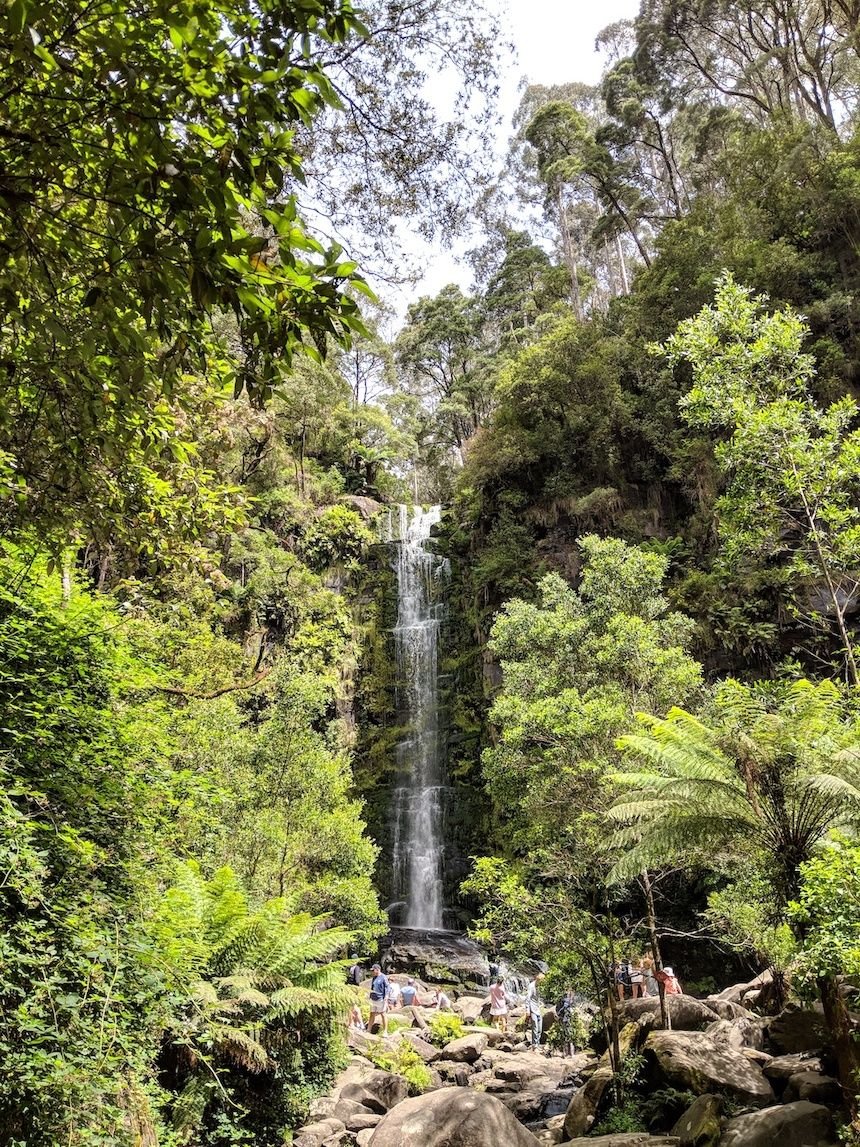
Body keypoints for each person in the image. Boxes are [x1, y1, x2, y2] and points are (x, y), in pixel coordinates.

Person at [525, 971, 545, 1050]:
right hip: (532, 1009)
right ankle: (534, 1045)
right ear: (538, 979)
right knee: (535, 1028)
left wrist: (541, 1005)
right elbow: (528, 999)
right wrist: (527, 1010)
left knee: (540, 1028)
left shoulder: (540, 987)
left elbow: (539, 998)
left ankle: (538, 1043)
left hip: (538, 1009)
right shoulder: (531, 986)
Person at [368, 963, 390, 1034]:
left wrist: (386, 996)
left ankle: (385, 1031)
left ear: (377, 970)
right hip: (373, 998)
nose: (372, 972)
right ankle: (368, 1029)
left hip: (381, 998)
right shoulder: (374, 977)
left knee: (383, 1014)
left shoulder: (383, 977)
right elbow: (372, 987)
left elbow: (387, 987)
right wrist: (370, 996)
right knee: (372, 1013)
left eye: (373, 970)